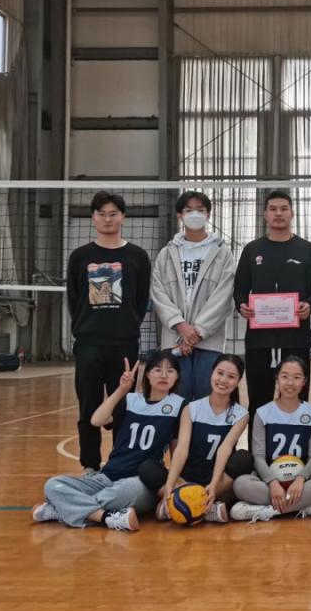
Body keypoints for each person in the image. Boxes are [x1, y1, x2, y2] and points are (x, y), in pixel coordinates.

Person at [32, 352, 183, 531]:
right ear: (148, 374)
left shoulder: (179, 406)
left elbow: (177, 452)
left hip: (140, 482)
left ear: (177, 377)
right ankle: (105, 517)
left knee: (124, 491)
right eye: (157, 370)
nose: (164, 375)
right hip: (107, 477)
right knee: (53, 485)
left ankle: (62, 510)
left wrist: (173, 485)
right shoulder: (131, 400)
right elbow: (96, 420)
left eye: (170, 371)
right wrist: (121, 390)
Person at [66, 191, 152, 474]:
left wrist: (126, 325)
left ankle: (120, 464)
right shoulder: (80, 257)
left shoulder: (137, 256)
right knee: (88, 407)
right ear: (93, 217)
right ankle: (90, 465)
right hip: (88, 343)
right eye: (101, 213)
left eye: (113, 214)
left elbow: (140, 299)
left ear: (123, 217)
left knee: (123, 409)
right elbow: (74, 299)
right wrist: (88, 326)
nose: (107, 219)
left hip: (124, 344)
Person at [233, 190, 311, 439]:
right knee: (258, 398)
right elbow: (240, 289)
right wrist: (242, 305)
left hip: (296, 337)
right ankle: (258, 452)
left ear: (292, 213)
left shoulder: (306, 250)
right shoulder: (252, 250)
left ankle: (299, 450)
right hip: (259, 339)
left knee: (297, 395)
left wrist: (309, 304)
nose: (278, 213)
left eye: (283, 208)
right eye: (273, 209)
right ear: (265, 214)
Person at [138, 354, 254, 523]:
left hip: (216, 478)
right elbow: (182, 449)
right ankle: (200, 505)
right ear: (211, 373)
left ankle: (185, 502)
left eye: (231, 376)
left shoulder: (241, 414)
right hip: (186, 478)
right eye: (220, 373)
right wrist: (170, 483)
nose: (223, 380)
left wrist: (214, 483)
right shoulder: (192, 408)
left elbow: (225, 448)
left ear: (238, 381)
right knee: (147, 467)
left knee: (245, 457)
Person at [150, 191, 235, 402]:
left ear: (208, 214)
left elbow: (225, 295)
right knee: (177, 398)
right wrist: (180, 325)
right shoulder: (166, 253)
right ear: (180, 215)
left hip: (209, 340)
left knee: (208, 398)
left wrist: (197, 331)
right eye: (189, 210)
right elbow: (158, 292)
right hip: (174, 339)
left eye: (200, 210)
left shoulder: (222, 252)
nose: (194, 214)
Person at [231, 357, 311, 522]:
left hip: (301, 483)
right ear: (277, 379)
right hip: (269, 482)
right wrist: (272, 482)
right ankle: (304, 505)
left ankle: (269, 510)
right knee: (240, 484)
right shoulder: (263, 413)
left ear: (304, 382)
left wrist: (300, 479)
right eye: (285, 376)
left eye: (297, 377)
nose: (290, 383)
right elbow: (258, 456)